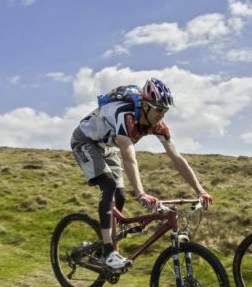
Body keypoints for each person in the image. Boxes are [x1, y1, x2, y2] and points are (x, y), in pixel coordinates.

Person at [70, 77, 213, 271]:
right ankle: (107, 252)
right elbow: (129, 157)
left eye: (165, 110)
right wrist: (141, 193)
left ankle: (105, 247)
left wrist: (200, 190)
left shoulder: (158, 124)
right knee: (109, 186)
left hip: (107, 146)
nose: (162, 115)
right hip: (85, 141)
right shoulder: (125, 115)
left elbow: (177, 158)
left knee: (119, 196)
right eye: (159, 109)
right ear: (145, 105)